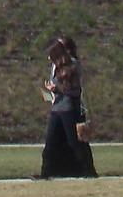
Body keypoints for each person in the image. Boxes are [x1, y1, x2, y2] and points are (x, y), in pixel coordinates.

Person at [38, 36, 97, 178]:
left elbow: (74, 89)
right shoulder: (55, 65)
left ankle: (88, 171)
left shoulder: (73, 64)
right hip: (56, 107)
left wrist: (56, 89)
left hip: (68, 108)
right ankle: (46, 172)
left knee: (75, 142)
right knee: (50, 142)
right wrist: (51, 92)